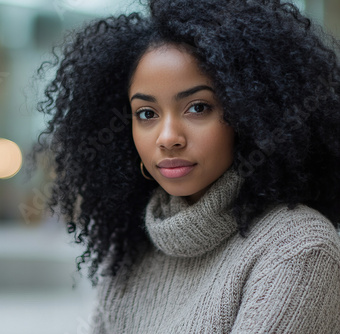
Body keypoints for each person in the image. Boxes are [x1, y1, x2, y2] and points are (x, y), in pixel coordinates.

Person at [32, 0, 340, 332]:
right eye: (146, 114)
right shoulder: (131, 256)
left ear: (250, 114)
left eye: (197, 108)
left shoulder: (298, 250)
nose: (168, 138)